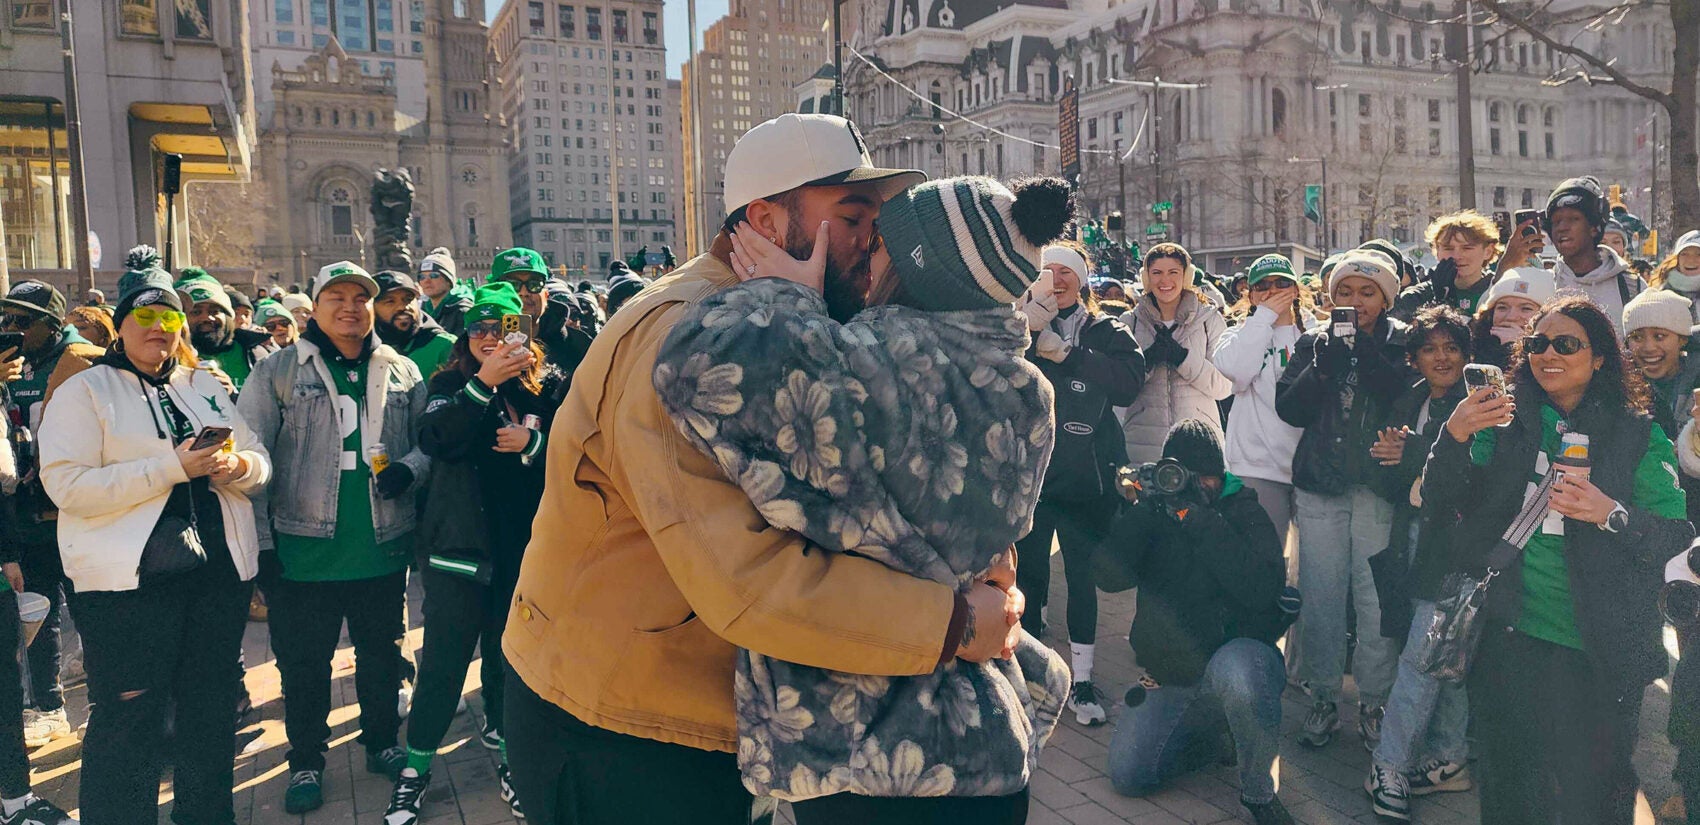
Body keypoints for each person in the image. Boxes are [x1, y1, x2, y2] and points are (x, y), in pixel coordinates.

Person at [499, 112, 1021, 825]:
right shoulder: (687, 338)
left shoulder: (788, 322)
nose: (876, 237)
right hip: (619, 728)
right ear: (767, 220)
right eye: (852, 213)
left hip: (697, 715)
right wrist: (954, 622)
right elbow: (747, 581)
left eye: (879, 216)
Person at [658, 174, 1073, 822]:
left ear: (919, 268)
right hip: (991, 744)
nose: (864, 253)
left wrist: (786, 300)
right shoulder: (1031, 391)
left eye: (881, 243)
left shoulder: (873, 361)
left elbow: (691, 368)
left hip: (870, 759)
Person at [1426, 294, 1690, 823]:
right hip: (1508, 636)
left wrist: (1609, 513)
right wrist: (1452, 435)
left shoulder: (1637, 432)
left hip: (1597, 649)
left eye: (1567, 344)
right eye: (1538, 343)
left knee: (1596, 793)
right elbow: (1443, 498)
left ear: (1599, 358)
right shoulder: (1501, 418)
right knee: (1510, 787)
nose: (1550, 354)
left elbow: (1673, 536)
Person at [38, 267, 270, 825]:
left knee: (210, 716)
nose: (159, 328)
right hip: (129, 590)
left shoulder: (204, 385)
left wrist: (234, 465)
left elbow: (261, 461)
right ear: (120, 327)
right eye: (144, 317)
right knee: (130, 721)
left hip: (216, 578)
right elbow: (66, 486)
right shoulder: (85, 391)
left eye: (169, 317)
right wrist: (172, 467)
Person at [238, 261, 430, 814]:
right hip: (302, 551)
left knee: (381, 655)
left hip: (381, 544)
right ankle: (305, 759)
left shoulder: (402, 371)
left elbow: (426, 445)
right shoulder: (277, 371)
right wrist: (263, 549)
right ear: (315, 307)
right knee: (302, 666)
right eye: (336, 297)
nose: (351, 307)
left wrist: (409, 471)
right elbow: (250, 456)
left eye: (361, 298)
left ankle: (379, 744)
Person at [382, 282, 561, 825]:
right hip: (458, 550)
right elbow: (436, 437)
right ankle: (414, 773)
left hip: (526, 554)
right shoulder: (450, 382)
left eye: (503, 327)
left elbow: (582, 450)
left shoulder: (548, 386)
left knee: (509, 668)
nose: (490, 337)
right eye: (480, 328)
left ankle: (511, 763)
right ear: (466, 336)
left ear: (524, 330)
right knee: (443, 666)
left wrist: (534, 445)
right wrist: (483, 383)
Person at [1098, 420, 1295, 825]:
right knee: (1129, 774)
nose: (1191, 486)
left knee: (1240, 675)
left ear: (1219, 475)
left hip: (1236, 656)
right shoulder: (1155, 512)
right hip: (1175, 673)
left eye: (1201, 477)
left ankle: (1259, 793)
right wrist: (1139, 513)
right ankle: (1214, 734)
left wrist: (1203, 523)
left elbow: (1261, 588)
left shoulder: (1244, 509)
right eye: (1179, 475)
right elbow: (1107, 577)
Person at [1276, 249, 1413, 751]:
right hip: (1320, 484)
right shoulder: (1312, 340)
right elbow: (1288, 408)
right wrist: (1324, 367)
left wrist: (1363, 355)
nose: (1356, 302)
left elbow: (1404, 394)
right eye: (1345, 292)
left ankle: (1375, 701)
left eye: (1367, 292)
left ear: (1386, 298)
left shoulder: (1403, 341)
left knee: (1374, 599)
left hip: (1376, 486)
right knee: (1321, 596)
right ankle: (1323, 697)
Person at [1013, 242, 1146, 727]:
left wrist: (1067, 353)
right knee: (1028, 576)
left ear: (1082, 281)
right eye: (1046, 271)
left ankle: (1083, 679)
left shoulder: (1106, 329)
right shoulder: (1016, 323)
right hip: (1031, 476)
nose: (1056, 279)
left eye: (1065, 272)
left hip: (1087, 478)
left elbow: (1129, 382)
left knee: (1082, 579)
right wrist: (1022, 331)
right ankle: (1025, 675)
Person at [1361, 307, 1475, 821]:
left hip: (1453, 548)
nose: (1442, 357)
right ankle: (1449, 757)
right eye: (1430, 348)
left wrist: (1410, 455)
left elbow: (1467, 475)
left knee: (1424, 654)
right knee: (1438, 652)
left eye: (1451, 347)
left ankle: (1389, 763)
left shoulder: (1475, 400)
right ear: (1415, 358)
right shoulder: (1410, 398)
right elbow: (1384, 478)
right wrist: (1397, 460)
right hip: (1406, 538)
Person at [0, 278, 101, 748]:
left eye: (22, 320)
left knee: (95, 612)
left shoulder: (85, 362)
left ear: (52, 322)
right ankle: (48, 705)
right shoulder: (9, 368)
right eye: (6, 318)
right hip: (27, 517)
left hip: (79, 513)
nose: (11, 328)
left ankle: (104, 704)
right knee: (39, 612)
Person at [1215, 253, 1309, 577]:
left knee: (1311, 571)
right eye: (1263, 286)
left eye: (1282, 283)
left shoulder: (1314, 335)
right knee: (1260, 567)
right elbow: (1239, 373)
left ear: (1295, 289)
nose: (1273, 290)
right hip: (1258, 468)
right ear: (1250, 294)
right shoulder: (1234, 336)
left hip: (1309, 469)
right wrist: (1263, 318)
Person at [1119, 242, 1231, 464]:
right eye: (1157, 273)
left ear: (1186, 277)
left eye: (1173, 272)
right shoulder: (1129, 322)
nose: (1165, 280)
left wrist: (1183, 358)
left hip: (1199, 443)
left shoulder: (1210, 320)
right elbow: (1120, 390)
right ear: (1146, 278)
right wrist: (1146, 361)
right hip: (1141, 445)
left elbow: (1224, 386)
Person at [1623, 289, 1700, 529]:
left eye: (1659, 336)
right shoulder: (1621, 387)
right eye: (1637, 337)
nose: (1648, 347)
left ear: (1682, 339)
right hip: (1650, 513)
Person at [1546, 176, 1644, 334]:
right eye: (1556, 222)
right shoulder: (1544, 283)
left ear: (1594, 227)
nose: (1562, 228)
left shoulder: (1631, 285)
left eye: (1573, 219)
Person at [490, 248, 594, 374]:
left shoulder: (579, 347)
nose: (523, 292)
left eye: (534, 284)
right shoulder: (478, 345)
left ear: (545, 295)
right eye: (512, 285)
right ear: (494, 294)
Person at [1393, 210, 1504, 320]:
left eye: (1467, 248)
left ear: (1488, 251)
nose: (1457, 256)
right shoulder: (1417, 297)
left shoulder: (1501, 292)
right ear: (1436, 251)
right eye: (1448, 248)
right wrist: (1438, 301)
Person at [177, 272, 275, 392]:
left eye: (214, 311)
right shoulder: (167, 360)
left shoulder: (256, 354)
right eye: (196, 312)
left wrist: (231, 395)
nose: (206, 318)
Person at [373, 270, 456, 379]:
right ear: (372, 308)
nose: (403, 307)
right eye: (390, 301)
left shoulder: (445, 345)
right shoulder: (361, 347)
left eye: (408, 300)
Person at [1469, 267, 1555, 370]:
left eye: (1525, 308)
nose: (1511, 317)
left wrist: (1517, 347)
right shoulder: (1470, 346)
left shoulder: (1557, 353)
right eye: (1502, 307)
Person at [1648, 229, 1700, 327]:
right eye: (1684, 254)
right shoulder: (1658, 294)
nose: (1691, 260)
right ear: (1677, 259)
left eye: (1699, 254)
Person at [418, 247, 472, 336]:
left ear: (448, 280)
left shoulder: (463, 312)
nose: (426, 281)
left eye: (434, 275)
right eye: (422, 277)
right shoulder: (422, 310)